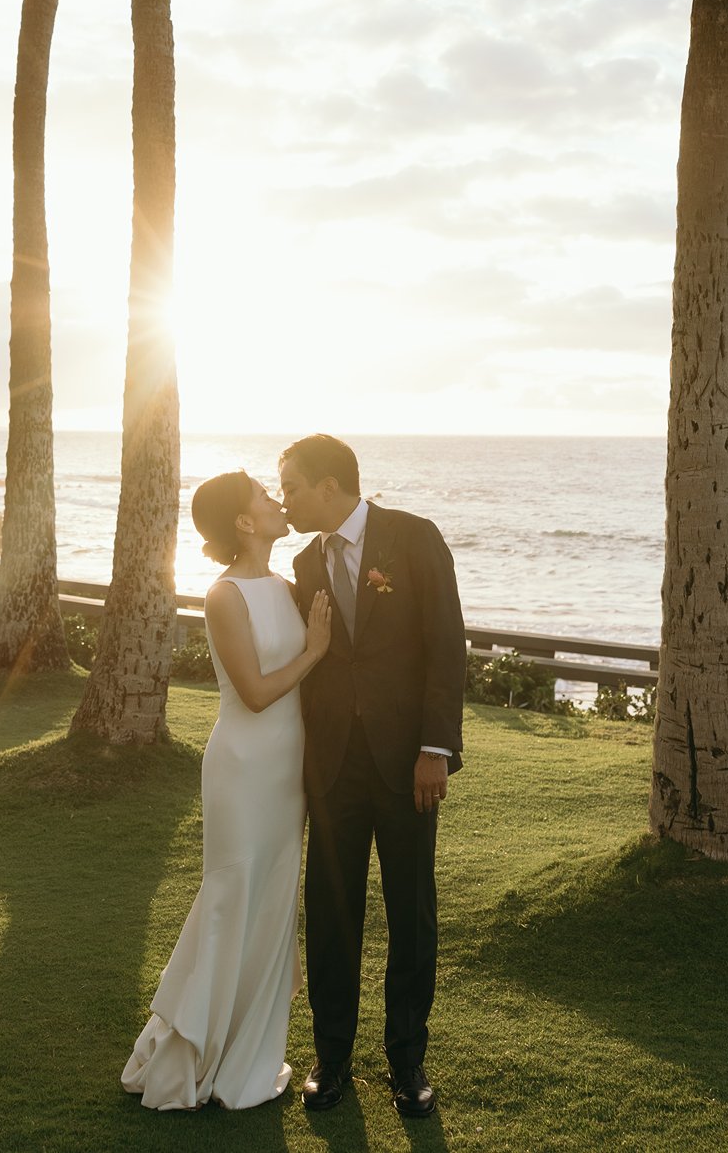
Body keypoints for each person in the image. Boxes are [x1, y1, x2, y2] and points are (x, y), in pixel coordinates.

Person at [121, 470, 332, 1111]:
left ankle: (249, 1052)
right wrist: (317, 649)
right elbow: (259, 692)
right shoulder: (224, 595)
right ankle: (189, 1050)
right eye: (266, 497)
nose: (276, 501)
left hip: (287, 770)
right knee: (231, 894)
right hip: (243, 768)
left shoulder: (288, 587)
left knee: (271, 899)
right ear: (244, 521)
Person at [280, 434, 466, 1119]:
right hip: (332, 766)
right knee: (331, 914)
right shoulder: (303, 562)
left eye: (292, 486)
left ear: (330, 486)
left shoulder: (414, 540)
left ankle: (407, 1059)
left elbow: (446, 646)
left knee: (411, 911)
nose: (284, 499)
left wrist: (433, 748)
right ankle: (330, 1060)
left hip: (405, 762)